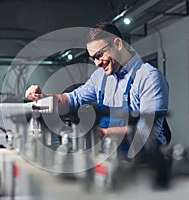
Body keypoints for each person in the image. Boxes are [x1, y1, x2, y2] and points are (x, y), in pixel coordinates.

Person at [25, 21, 170, 188]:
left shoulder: (149, 78)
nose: (97, 63)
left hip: (144, 168)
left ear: (117, 44)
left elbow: (146, 132)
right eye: (93, 58)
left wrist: (100, 133)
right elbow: (71, 100)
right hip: (111, 162)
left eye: (99, 55)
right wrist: (42, 96)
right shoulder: (101, 77)